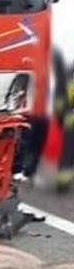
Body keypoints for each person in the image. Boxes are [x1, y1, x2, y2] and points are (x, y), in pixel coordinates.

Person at [55, 48, 74, 194]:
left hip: (70, 119)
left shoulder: (69, 73)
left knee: (68, 153)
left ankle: (63, 183)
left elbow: (60, 101)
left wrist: (60, 119)